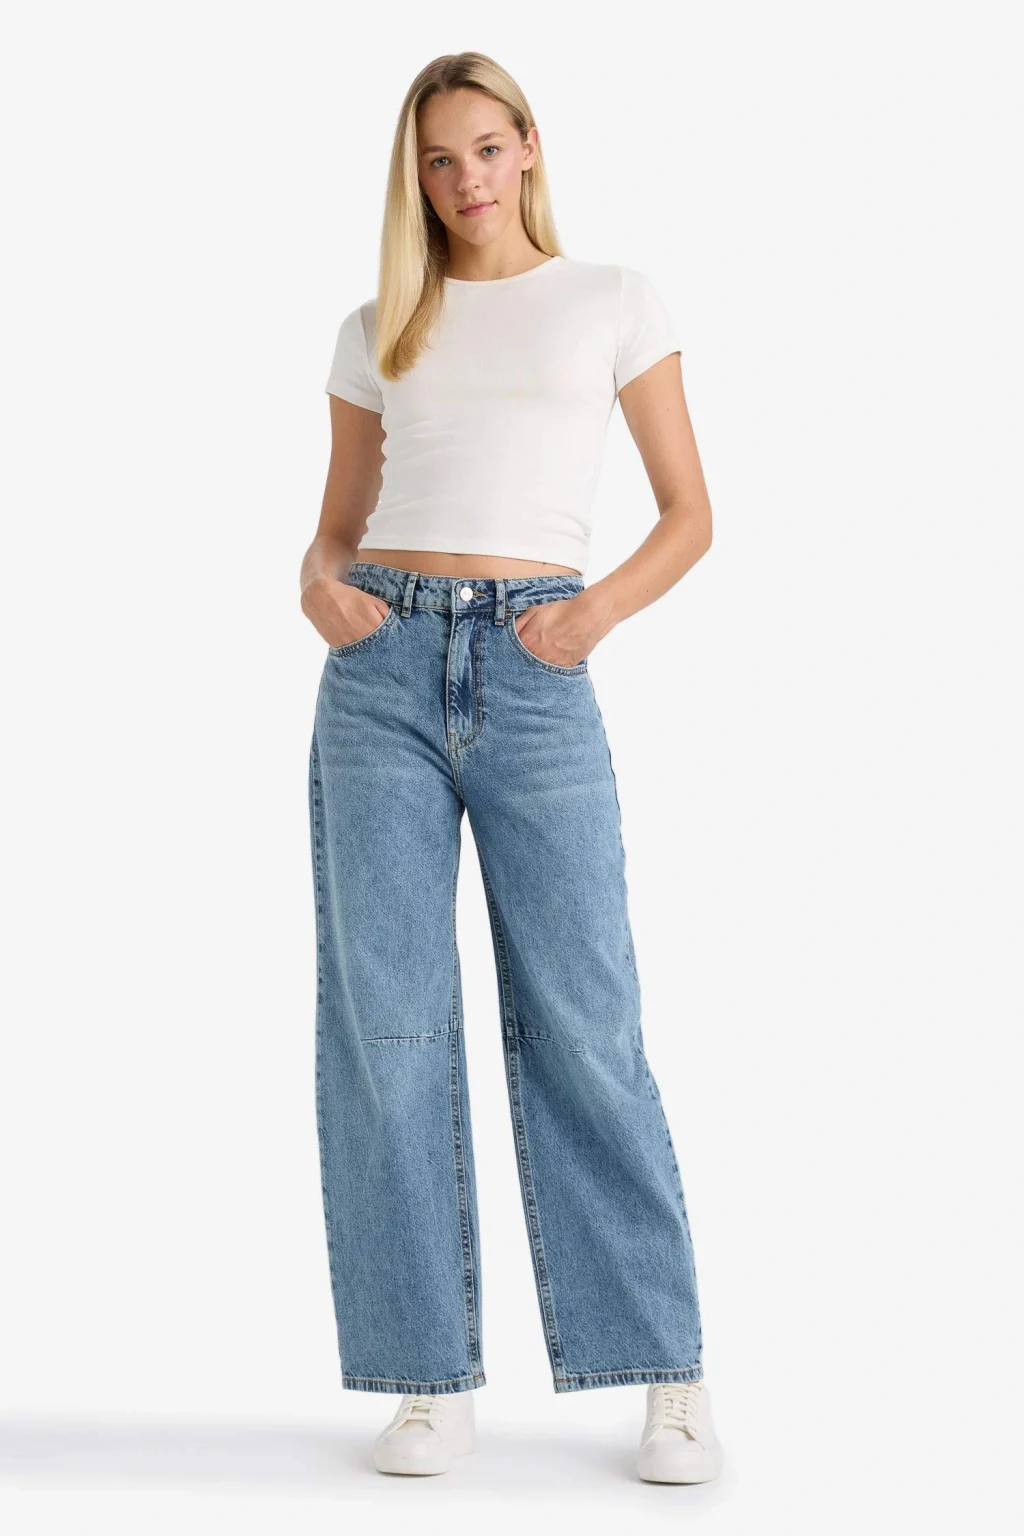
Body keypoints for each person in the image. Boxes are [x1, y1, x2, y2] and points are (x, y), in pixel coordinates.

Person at [299, 51, 723, 1485]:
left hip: (540, 672)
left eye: (487, 148)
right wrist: (319, 587)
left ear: (529, 147)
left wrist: (589, 618)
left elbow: (689, 512)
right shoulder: (379, 324)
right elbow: (337, 521)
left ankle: (666, 1373)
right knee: (389, 1030)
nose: (466, 179)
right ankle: (426, 1378)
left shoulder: (613, 299)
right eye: (439, 159)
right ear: (414, 177)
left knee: (587, 1021)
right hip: (381, 677)